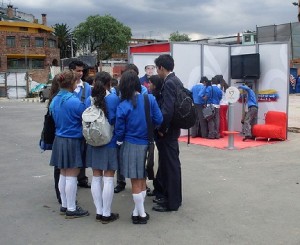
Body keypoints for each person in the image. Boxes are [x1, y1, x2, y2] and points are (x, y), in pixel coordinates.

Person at [115, 70, 163, 224]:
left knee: (135, 182)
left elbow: (119, 130)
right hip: (148, 144)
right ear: (137, 83)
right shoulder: (149, 99)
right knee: (142, 180)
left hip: (130, 146)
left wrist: (120, 141)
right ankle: (138, 212)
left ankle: (140, 215)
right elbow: (159, 119)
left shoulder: (123, 105)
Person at [49, 70, 89, 218]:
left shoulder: (54, 100)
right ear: (72, 83)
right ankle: (72, 208)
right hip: (72, 140)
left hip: (59, 139)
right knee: (72, 175)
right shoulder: (74, 101)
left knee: (63, 174)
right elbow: (85, 117)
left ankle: (65, 205)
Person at [86, 71, 120, 224]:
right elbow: (114, 119)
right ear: (108, 84)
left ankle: (99, 211)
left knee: (96, 177)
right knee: (108, 178)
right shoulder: (113, 98)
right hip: (109, 141)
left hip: (93, 140)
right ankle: (106, 213)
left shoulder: (90, 99)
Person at [152, 54, 183, 212]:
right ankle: (172, 198)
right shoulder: (176, 80)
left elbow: (167, 110)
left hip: (169, 132)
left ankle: (172, 202)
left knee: (170, 166)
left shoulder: (169, 83)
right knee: (170, 165)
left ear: (161, 68)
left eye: (157, 69)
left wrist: (162, 129)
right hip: (174, 129)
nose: (157, 72)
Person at [114, 63, 148, 194]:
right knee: (138, 171)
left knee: (137, 174)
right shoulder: (118, 93)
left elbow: (119, 123)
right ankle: (123, 182)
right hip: (142, 138)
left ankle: (139, 211)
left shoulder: (143, 95)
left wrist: (119, 138)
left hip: (130, 139)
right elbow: (158, 119)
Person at [69, 60, 92, 188]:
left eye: (82, 71)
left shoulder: (87, 87)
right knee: (70, 153)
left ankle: (81, 178)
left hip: (83, 125)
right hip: (70, 125)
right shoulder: (66, 86)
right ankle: (69, 177)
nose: (80, 73)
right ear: (71, 70)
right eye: (78, 70)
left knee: (82, 152)